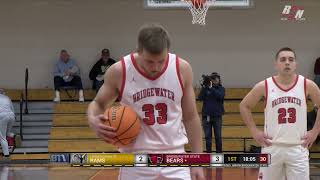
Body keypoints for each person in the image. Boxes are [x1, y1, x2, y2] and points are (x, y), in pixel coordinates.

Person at [87, 24, 204, 180]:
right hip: (135, 157)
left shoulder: (182, 68)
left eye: (161, 61)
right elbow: (98, 104)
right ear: (138, 51)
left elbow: (191, 117)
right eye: (150, 61)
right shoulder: (119, 71)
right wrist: (92, 119)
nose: (155, 67)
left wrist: (198, 161)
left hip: (175, 157)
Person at [240, 47, 320, 180]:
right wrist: (254, 131)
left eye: (291, 59)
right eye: (283, 59)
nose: (287, 62)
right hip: (271, 147)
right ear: (276, 64)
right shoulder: (264, 85)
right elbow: (244, 106)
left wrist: (315, 131)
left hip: (298, 147)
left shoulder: (307, 84)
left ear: (295, 64)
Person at [197, 72, 225, 153]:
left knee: (218, 137)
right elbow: (200, 98)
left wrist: (211, 88)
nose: (214, 80)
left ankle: (219, 154)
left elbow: (220, 96)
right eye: (212, 79)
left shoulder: (221, 88)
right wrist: (204, 87)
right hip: (206, 117)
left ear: (219, 80)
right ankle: (208, 154)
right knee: (207, 137)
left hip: (217, 117)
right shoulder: (206, 88)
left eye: (216, 78)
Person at [0, 89, 16, 158]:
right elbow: (12, 109)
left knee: (2, 137)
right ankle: (14, 136)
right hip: (11, 116)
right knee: (7, 133)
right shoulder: (7, 98)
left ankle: (6, 154)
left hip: (2, 116)